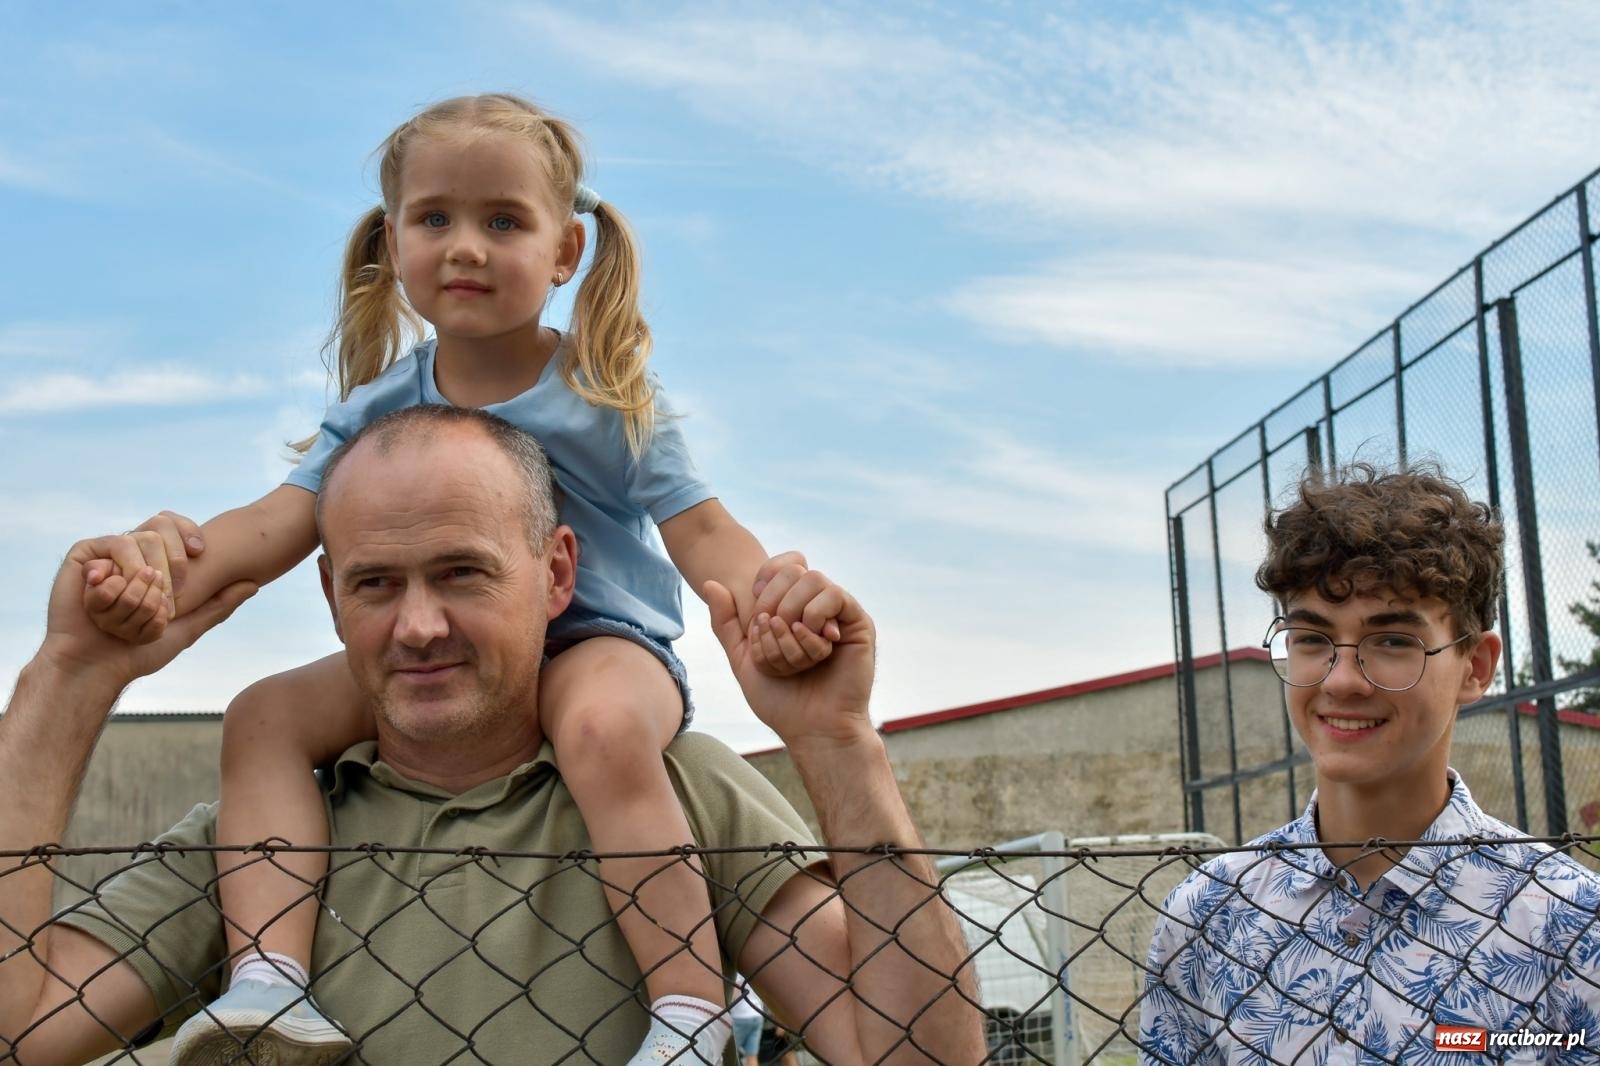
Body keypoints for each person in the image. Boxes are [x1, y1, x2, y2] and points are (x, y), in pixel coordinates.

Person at [83, 93, 841, 1066]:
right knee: (262, 715)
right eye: (434, 218)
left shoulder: (608, 394)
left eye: (502, 221)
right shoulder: (377, 408)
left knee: (603, 731)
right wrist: (160, 566)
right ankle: (270, 983)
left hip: (601, 647)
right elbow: (275, 524)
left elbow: (701, 528)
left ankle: (689, 1014)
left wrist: (770, 591)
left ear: (565, 252)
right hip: (444, 648)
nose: (466, 247)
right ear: (391, 244)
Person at [0, 405, 986, 1065]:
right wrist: (69, 676)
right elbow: (19, 1027)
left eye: (462, 573)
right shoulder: (267, 835)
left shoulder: (676, 790)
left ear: (557, 573)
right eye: (376, 582)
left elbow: (918, 1055)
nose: (418, 625)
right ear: (329, 594)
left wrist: (838, 739)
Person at [1139, 463, 1600, 1064]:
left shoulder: (1570, 925)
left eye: (1392, 642)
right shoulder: (1206, 917)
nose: (1344, 680)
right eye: (1311, 639)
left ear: (1476, 667)